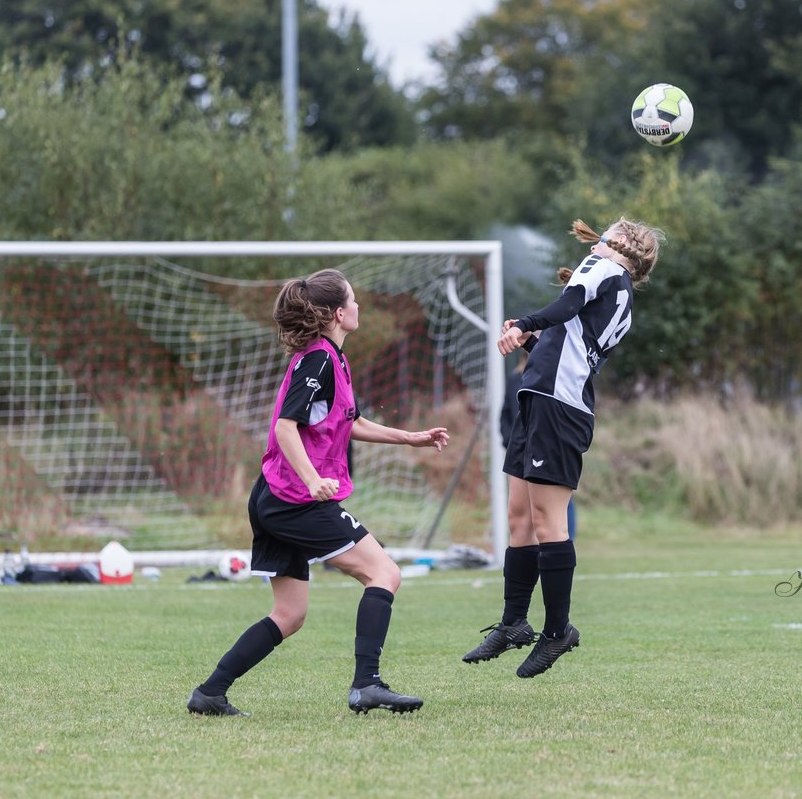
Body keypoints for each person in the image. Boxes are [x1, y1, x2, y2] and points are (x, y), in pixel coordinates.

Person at [187, 268, 450, 717]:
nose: (359, 306)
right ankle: (367, 684)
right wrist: (313, 481)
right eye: (353, 299)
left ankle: (210, 693)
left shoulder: (332, 358)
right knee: (384, 573)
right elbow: (285, 427)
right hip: (296, 499)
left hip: (276, 497)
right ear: (336, 313)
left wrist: (410, 438)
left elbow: (353, 422)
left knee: (289, 615)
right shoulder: (319, 361)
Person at [463, 216, 663, 677]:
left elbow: (569, 304)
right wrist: (533, 336)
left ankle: (557, 632)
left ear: (624, 248)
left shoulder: (604, 269)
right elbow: (572, 334)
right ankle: (514, 623)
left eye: (611, 234)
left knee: (548, 522)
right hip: (541, 401)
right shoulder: (612, 283)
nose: (600, 240)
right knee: (520, 517)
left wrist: (525, 325)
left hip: (559, 406)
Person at [501, 357, 576, 541]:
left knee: (556, 506)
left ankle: (564, 544)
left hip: (548, 445)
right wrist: (512, 443)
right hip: (521, 449)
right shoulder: (515, 378)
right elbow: (506, 415)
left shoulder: (559, 374)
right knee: (521, 514)